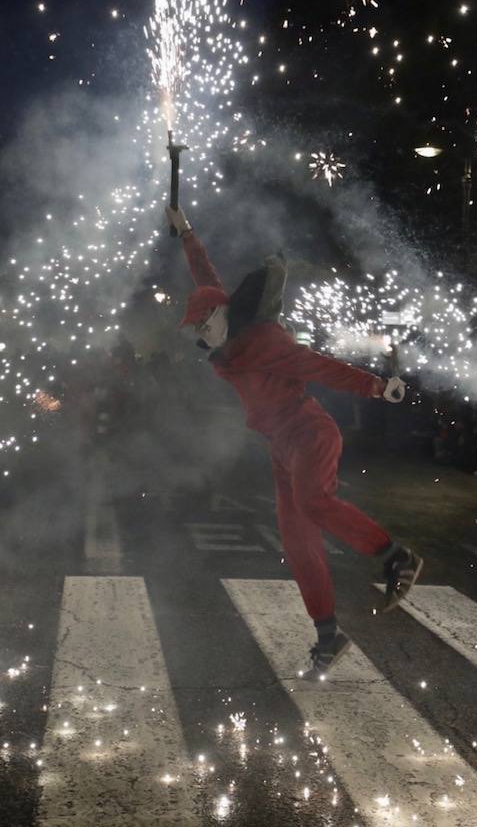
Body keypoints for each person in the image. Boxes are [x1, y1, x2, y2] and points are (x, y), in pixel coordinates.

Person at [166, 206, 423, 676]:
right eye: (197, 331)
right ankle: (328, 635)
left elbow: (317, 367)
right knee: (297, 540)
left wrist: (376, 387)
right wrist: (185, 230)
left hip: (309, 433)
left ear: (222, 312)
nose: (201, 336)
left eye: (204, 325)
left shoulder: (264, 340)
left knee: (314, 501)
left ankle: (394, 556)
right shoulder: (225, 338)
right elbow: (205, 273)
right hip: (281, 447)